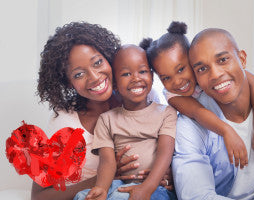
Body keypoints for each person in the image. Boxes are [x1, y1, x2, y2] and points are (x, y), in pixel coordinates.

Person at [32, 22, 172, 200]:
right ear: (68, 82)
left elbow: (165, 148)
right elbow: (38, 197)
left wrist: (166, 176)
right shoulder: (63, 124)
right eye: (78, 74)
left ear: (108, 58)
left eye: (97, 63)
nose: (95, 77)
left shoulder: (143, 94)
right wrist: (106, 178)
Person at [172, 28, 254, 199]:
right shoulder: (190, 125)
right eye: (202, 69)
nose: (216, 74)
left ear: (242, 59)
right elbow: (197, 195)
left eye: (223, 60)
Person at [140, 21, 254, 169]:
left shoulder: (211, 73)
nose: (177, 82)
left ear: (192, 60)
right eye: (166, 78)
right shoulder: (173, 95)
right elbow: (197, 112)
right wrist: (227, 131)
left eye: (181, 69)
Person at [75, 44, 177, 200]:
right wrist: (101, 188)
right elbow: (107, 161)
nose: (136, 78)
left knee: (120, 198)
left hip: (156, 186)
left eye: (142, 71)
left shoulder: (166, 113)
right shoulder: (106, 119)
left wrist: (147, 188)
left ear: (151, 76)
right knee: (82, 196)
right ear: (114, 83)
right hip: (119, 184)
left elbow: (165, 153)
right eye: (126, 74)